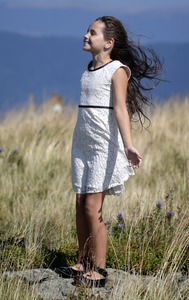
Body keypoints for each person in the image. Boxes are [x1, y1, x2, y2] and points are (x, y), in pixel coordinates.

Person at [59, 16, 162, 287]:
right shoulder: (89, 68)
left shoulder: (117, 70)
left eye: (92, 33)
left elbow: (120, 108)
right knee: (80, 204)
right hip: (81, 143)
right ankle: (82, 261)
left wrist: (128, 145)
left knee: (94, 208)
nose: (85, 35)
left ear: (108, 42)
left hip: (104, 145)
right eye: (87, 31)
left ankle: (100, 269)